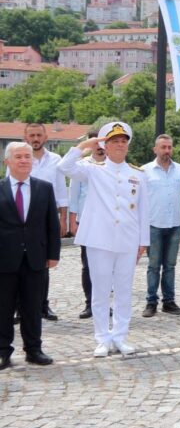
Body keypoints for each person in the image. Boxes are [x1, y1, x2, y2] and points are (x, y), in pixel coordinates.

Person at [59, 122, 149, 357]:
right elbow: (63, 167)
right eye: (114, 141)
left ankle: (120, 336)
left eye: (123, 141)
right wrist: (85, 146)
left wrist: (144, 241)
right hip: (99, 239)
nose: (120, 145)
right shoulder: (93, 170)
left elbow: (143, 210)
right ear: (105, 146)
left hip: (128, 240)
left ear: (127, 146)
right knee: (100, 291)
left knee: (123, 291)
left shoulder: (138, 174)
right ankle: (102, 338)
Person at [0, 141, 59, 368]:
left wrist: (53, 254)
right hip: (5, 259)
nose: (24, 160)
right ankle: (3, 351)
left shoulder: (44, 188)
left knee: (33, 307)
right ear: (8, 161)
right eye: (19, 157)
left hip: (36, 258)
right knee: (3, 307)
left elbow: (51, 224)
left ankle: (34, 350)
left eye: (27, 156)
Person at [141, 134, 180, 318]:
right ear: (155, 149)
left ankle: (169, 301)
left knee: (170, 265)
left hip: (175, 224)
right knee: (153, 266)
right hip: (153, 224)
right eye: (163, 147)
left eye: (169, 147)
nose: (167, 151)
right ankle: (151, 301)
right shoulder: (145, 171)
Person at [23, 123, 67, 322]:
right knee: (19, 263)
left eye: (38, 135)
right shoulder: (21, 158)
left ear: (45, 137)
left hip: (47, 220)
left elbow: (61, 192)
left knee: (44, 264)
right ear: (26, 137)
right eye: (31, 135)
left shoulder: (56, 160)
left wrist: (63, 219)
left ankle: (43, 305)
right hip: (22, 220)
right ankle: (19, 308)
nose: (35, 138)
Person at [67, 136, 104, 319]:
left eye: (102, 144)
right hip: (86, 221)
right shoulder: (82, 165)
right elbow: (73, 195)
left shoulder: (112, 165)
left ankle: (104, 303)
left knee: (106, 266)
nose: (99, 147)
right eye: (95, 144)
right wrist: (72, 221)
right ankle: (90, 303)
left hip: (107, 223)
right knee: (88, 265)